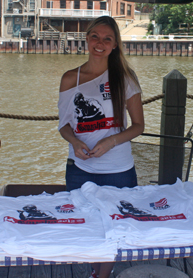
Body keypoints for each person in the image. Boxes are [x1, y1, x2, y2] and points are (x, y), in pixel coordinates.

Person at [57, 16, 145, 278]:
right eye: (95, 36)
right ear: (87, 38)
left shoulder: (126, 78)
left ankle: (101, 274)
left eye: (107, 39)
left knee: (116, 227)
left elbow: (138, 125)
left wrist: (110, 141)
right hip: (80, 168)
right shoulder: (70, 79)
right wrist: (75, 141)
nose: (100, 43)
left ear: (115, 44)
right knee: (87, 226)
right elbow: (64, 126)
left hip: (118, 170)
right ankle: (99, 268)